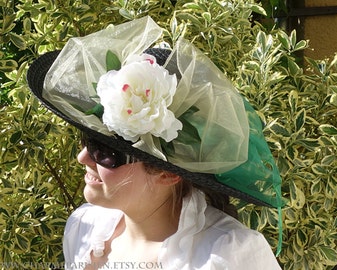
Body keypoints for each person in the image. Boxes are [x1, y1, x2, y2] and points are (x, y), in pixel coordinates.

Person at [27, 16, 283, 270]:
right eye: (87, 140)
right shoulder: (84, 227)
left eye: (103, 151)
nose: (83, 157)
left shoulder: (227, 254)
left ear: (166, 173)